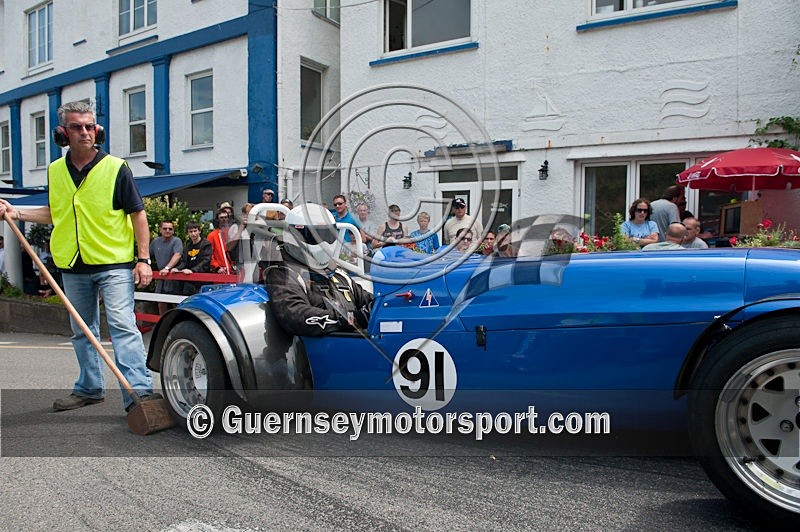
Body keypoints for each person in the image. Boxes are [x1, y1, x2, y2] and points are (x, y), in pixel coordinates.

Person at [0, 100, 156, 413]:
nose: (84, 132)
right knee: (82, 330)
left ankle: (140, 396)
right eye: (76, 127)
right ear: (62, 133)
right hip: (73, 264)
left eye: (89, 126)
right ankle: (89, 388)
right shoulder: (56, 171)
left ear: (97, 130)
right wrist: (15, 211)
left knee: (123, 327)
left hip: (113, 263)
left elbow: (138, 215)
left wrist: (143, 259)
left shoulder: (115, 168)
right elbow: (55, 213)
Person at [264, 203, 373, 337]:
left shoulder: (337, 272)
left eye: (327, 234)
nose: (324, 243)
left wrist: (382, 306)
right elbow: (296, 316)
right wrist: (353, 319)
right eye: (316, 236)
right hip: (313, 354)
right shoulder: (282, 273)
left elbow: (369, 300)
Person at [169, 221, 212, 295]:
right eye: (190, 232)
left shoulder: (206, 244)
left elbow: (206, 261)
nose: (193, 234)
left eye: (195, 231)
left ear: (199, 231)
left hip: (202, 281)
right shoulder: (188, 246)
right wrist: (177, 269)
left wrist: (193, 270)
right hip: (189, 281)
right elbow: (184, 262)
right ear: (188, 233)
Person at [150, 220, 183, 314]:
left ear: (173, 231)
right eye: (165, 228)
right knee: (160, 302)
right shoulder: (156, 242)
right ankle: (163, 326)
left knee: (176, 304)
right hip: (161, 278)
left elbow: (177, 255)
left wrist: (167, 268)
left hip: (174, 277)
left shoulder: (177, 241)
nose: (167, 230)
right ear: (160, 230)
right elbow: (147, 255)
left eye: (170, 229)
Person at [207, 208, 234, 274]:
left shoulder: (233, 232)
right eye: (221, 218)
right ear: (217, 220)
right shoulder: (212, 235)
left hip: (234, 271)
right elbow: (209, 255)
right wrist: (217, 267)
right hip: (220, 272)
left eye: (226, 217)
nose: (224, 219)